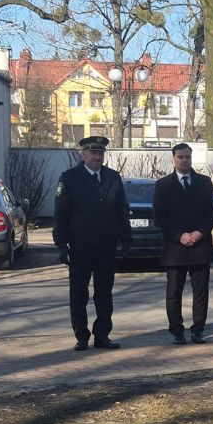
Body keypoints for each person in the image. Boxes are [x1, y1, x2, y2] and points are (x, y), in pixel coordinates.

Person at [52, 135, 130, 352]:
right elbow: (61, 214)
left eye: (100, 154)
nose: (97, 157)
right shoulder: (69, 178)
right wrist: (61, 244)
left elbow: (121, 211)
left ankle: (102, 335)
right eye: (93, 153)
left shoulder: (112, 177)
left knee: (104, 294)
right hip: (80, 246)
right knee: (78, 294)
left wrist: (126, 240)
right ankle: (82, 336)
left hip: (106, 246)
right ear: (83, 155)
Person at [152, 142, 213, 344]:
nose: (184, 160)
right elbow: (160, 216)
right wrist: (179, 235)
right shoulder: (162, 185)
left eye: (187, 157)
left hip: (200, 245)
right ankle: (177, 331)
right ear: (173, 159)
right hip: (175, 248)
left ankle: (198, 329)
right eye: (180, 157)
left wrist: (200, 232)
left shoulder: (204, 182)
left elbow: (212, 211)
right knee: (174, 293)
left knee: (200, 293)